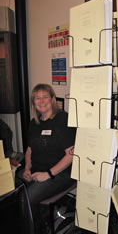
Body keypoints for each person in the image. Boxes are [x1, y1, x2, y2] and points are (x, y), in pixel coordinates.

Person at [19, 83, 76, 232]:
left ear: (52, 99)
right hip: (37, 171)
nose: (42, 101)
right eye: (37, 98)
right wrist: (26, 169)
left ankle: (36, 229)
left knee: (26, 199)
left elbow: (71, 155)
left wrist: (48, 174)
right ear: (34, 103)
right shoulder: (34, 123)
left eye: (45, 97)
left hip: (61, 174)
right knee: (13, 191)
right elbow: (29, 149)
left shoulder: (63, 119)